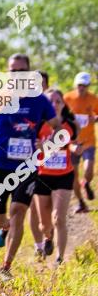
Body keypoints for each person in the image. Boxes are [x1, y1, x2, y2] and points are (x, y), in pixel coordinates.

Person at [0, 54, 61, 276]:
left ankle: (6, 267)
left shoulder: (39, 100)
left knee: (19, 210)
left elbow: (56, 127)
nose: (17, 75)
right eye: (13, 71)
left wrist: (47, 143)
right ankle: (4, 227)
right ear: (8, 73)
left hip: (27, 167)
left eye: (22, 71)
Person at [34, 89, 79, 265]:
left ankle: (59, 259)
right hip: (43, 176)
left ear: (63, 104)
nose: (54, 104)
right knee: (44, 224)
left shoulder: (70, 124)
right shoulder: (39, 124)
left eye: (58, 101)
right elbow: (33, 146)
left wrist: (76, 149)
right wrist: (39, 146)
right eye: (51, 101)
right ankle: (48, 236)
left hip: (64, 176)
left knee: (59, 218)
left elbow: (74, 144)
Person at [64, 72, 97, 213]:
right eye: (79, 85)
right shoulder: (67, 97)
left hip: (88, 141)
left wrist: (94, 119)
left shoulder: (93, 99)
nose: (81, 88)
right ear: (75, 85)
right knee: (74, 175)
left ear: (88, 86)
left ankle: (87, 183)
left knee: (89, 169)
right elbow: (60, 114)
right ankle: (81, 202)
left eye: (84, 85)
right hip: (73, 142)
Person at [28, 71, 51, 257]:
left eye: (42, 84)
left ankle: (49, 237)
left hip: (56, 168)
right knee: (33, 208)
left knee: (49, 208)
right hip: (35, 165)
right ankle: (38, 246)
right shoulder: (30, 108)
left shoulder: (53, 110)